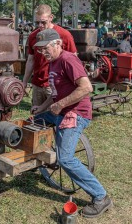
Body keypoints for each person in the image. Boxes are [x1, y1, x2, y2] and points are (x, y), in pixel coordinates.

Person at [32, 29, 113, 218]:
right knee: (35, 122)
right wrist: (41, 107)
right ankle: (39, 156)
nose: (43, 52)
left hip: (76, 113)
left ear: (58, 43)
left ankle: (101, 197)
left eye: (46, 48)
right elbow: (55, 95)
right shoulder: (52, 62)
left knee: (66, 159)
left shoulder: (68, 60)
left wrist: (61, 105)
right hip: (60, 111)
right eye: (40, 49)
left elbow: (86, 87)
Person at [22, 4, 76, 107]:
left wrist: (72, 85)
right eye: (37, 22)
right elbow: (30, 60)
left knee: (54, 116)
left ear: (51, 17)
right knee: (38, 116)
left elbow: (73, 59)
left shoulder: (64, 35)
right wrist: (24, 82)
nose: (40, 25)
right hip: (37, 84)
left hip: (56, 84)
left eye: (43, 22)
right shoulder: (33, 36)